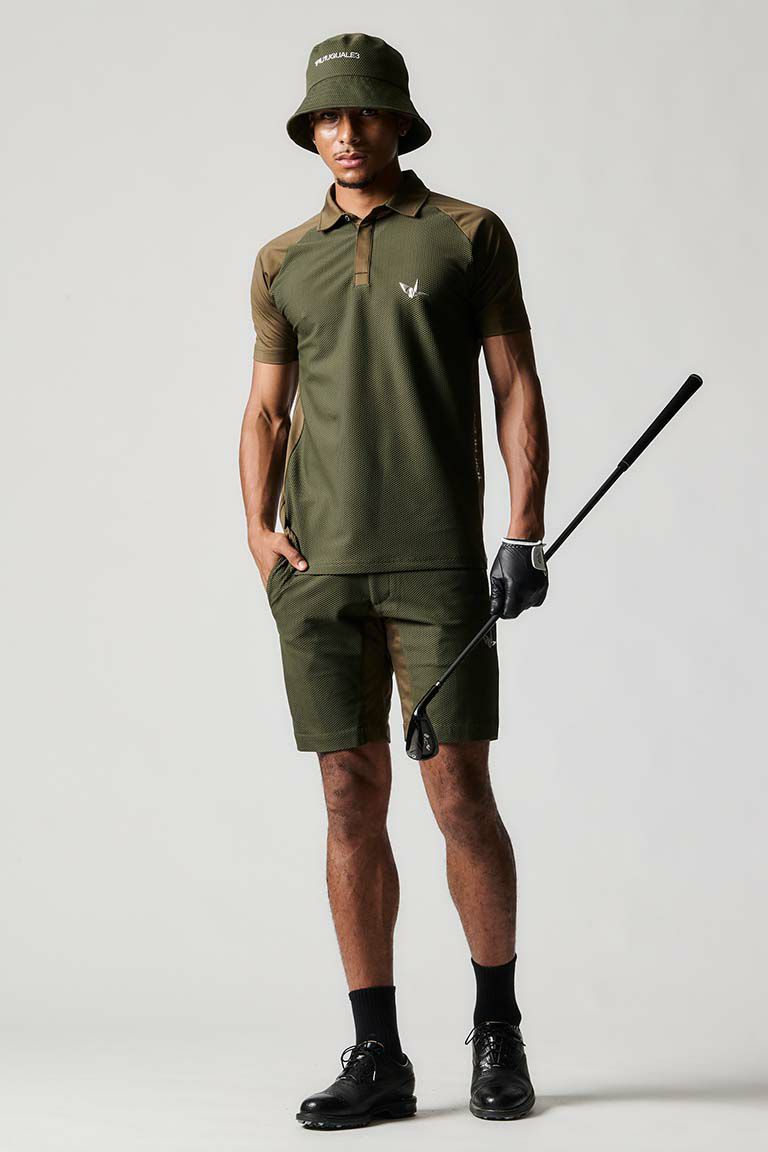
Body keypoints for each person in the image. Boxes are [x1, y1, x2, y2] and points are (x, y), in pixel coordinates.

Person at [239, 31, 550, 1130]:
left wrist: (522, 530)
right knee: (345, 793)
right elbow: (266, 406)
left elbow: (515, 384)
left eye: (364, 111)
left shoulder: (467, 233)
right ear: (310, 131)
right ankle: (379, 1055)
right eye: (327, 116)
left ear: (400, 121)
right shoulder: (284, 259)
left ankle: (498, 1031)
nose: (346, 132)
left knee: (458, 791)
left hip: (437, 564)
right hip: (319, 570)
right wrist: (257, 532)